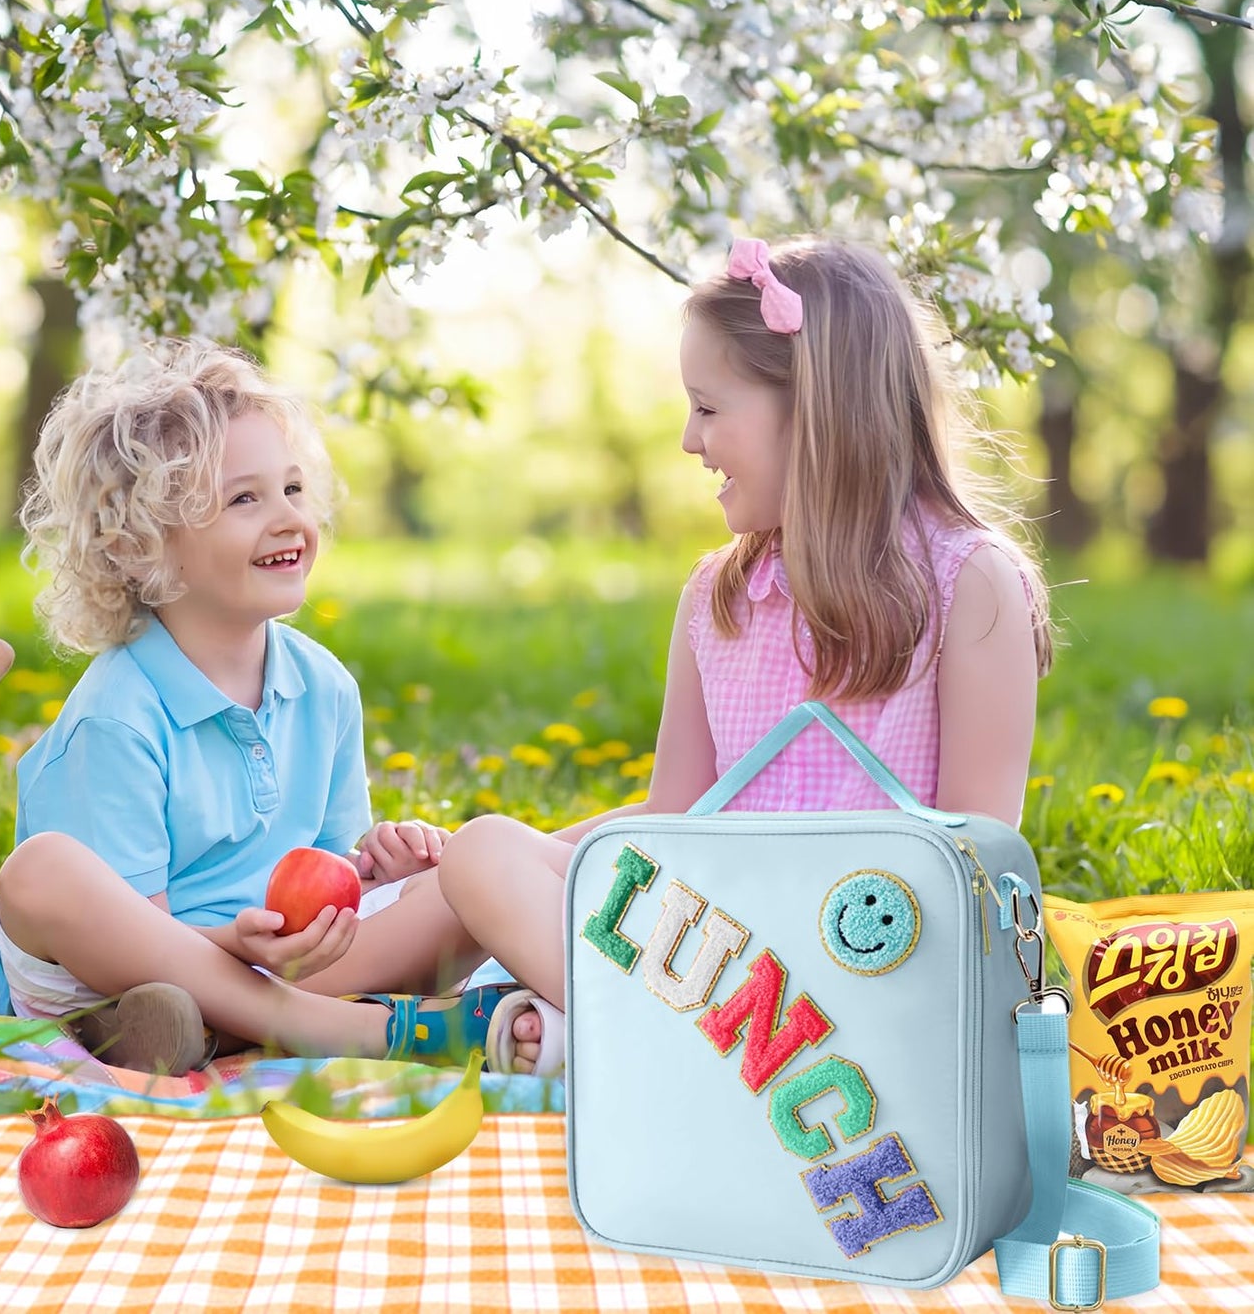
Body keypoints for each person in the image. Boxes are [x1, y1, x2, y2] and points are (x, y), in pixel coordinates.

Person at [437, 234, 1054, 1072]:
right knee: (481, 852)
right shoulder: (720, 594)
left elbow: (978, 864)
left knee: (501, 871)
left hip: (873, 977)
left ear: (813, 410)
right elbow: (671, 818)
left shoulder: (970, 582)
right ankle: (655, 1044)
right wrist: (532, 858)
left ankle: (622, 1039)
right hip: (711, 969)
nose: (690, 441)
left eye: (708, 407)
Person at [0, 338, 531, 1075]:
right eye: (244, 498)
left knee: (473, 867)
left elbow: (328, 872)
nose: (286, 518)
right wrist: (240, 948)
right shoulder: (120, 714)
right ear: (145, 547)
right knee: (38, 871)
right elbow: (139, 934)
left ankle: (216, 1031)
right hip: (123, 971)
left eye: (293, 489)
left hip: (283, 962)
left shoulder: (323, 685)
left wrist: (378, 872)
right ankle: (353, 1030)